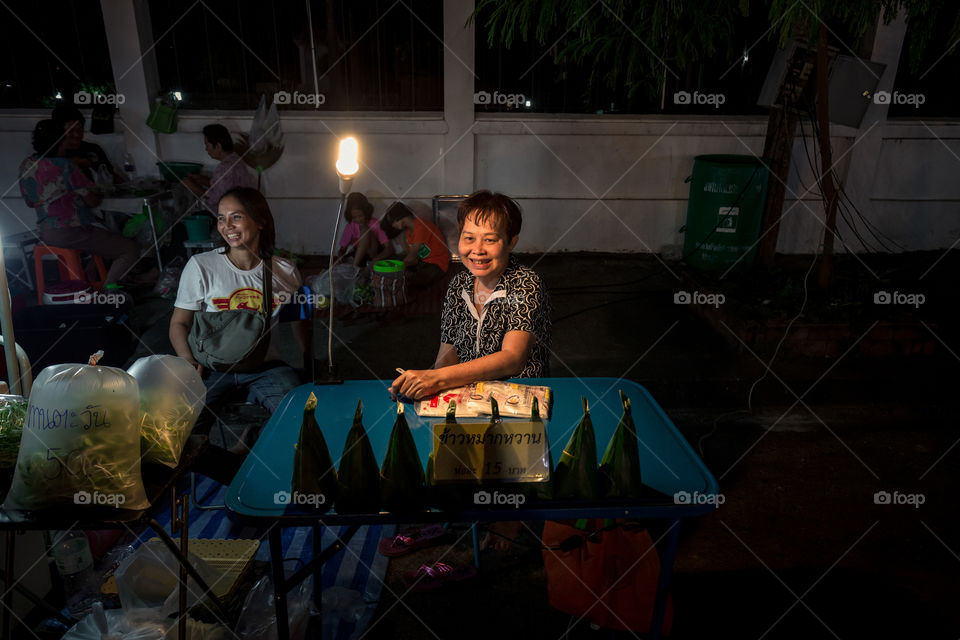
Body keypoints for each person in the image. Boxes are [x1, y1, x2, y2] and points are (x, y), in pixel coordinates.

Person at [390, 191, 552, 550]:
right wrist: (426, 381)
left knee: (503, 468)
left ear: (511, 242)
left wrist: (438, 378)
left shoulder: (527, 284)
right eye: (469, 237)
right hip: (471, 395)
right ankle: (450, 516)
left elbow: (512, 359)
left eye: (490, 239)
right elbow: (448, 349)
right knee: (432, 440)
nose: (476, 250)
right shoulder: (458, 285)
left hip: (519, 404)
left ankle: (508, 520)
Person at [169, 186, 307, 454]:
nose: (226, 226)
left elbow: (300, 320)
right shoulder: (201, 266)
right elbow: (178, 323)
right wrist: (187, 360)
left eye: (236, 217)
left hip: (266, 367)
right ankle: (228, 470)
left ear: (261, 221)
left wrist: (308, 362)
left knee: (298, 418)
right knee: (182, 433)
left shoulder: (285, 271)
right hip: (211, 368)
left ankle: (252, 441)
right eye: (221, 218)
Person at [19, 119, 140, 288]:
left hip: (46, 232)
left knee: (107, 239)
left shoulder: (27, 165)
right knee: (130, 248)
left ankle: (92, 280)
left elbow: (30, 202)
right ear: (61, 141)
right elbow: (92, 201)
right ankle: (109, 294)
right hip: (73, 232)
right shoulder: (65, 165)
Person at [183, 124, 256, 213]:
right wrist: (203, 180)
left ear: (218, 146)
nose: (206, 149)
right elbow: (224, 187)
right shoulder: (236, 159)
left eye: (207, 145)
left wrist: (192, 187)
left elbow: (214, 199)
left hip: (231, 215)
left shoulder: (224, 168)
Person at [381, 201, 450, 289]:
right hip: (423, 262)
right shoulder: (409, 232)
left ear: (398, 218)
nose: (393, 226)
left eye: (392, 223)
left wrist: (395, 269)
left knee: (412, 282)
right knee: (395, 261)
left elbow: (412, 255)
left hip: (437, 265)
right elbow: (412, 257)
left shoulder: (421, 225)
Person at [51, 104, 126, 184]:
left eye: (80, 129)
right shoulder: (53, 153)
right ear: (59, 132)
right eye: (71, 131)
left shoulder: (93, 149)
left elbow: (113, 176)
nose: (77, 135)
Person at [335, 193, 392, 267]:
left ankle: (354, 267)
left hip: (373, 255)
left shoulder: (375, 224)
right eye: (354, 217)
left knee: (365, 230)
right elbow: (342, 249)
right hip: (360, 258)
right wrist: (340, 255)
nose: (358, 220)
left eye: (360, 216)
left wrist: (377, 258)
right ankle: (356, 267)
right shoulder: (350, 227)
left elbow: (389, 248)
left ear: (366, 212)